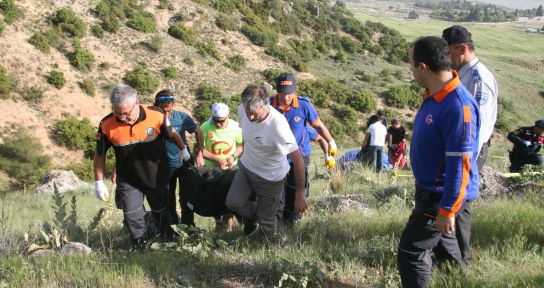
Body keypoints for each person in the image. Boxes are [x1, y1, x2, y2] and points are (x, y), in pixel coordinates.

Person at [397, 36, 480, 288]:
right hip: (431, 192)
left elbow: (461, 164)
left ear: (423, 67)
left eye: (412, 65)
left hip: (440, 195)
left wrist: (446, 209)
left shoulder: (458, 106)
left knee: (411, 251)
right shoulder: (435, 95)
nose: (411, 71)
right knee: (446, 253)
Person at [94, 84, 191, 249]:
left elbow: (172, 133)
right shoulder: (107, 124)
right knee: (132, 216)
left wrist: (183, 150)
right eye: (117, 113)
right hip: (129, 178)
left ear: (137, 103)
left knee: (162, 212)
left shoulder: (156, 115)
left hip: (157, 176)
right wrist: (98, 181)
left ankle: (168, 241)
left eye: (126, 113)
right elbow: (100, 154)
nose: (122, 118)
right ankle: (140, 247)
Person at [226, 84, 308, 239]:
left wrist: (299, 194)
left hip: (270, 177)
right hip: (247, 167)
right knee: (233, 202)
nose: (249, 117)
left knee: (267, 221)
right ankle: (258, 216)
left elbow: (298, 160)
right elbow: (246, 136)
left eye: (254, 113)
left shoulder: (278, 125)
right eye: (247, 112)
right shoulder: (243, 110)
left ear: (265, 105)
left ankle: (268, 249)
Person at [270, 72, 336, 225]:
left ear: (296, 90)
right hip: (277, 156)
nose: (286, 98)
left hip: (300, 155)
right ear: (276, 90)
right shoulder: (269, 105)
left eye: (289, 94)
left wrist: (331, 143)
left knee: (297, 190)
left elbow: (319, 126)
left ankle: (293, 224)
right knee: (278, 193)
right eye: (282, 94)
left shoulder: (304, 105)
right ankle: (276, 227)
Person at [443, 25, 498, 171]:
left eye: (447, 51)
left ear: (462, 49)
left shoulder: (478, 80)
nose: (445, 56)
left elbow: (479, 124)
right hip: (460, 148)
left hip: (470, 151)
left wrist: (466, 163)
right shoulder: (462, 73)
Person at [153, 89, 204, 226]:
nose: (166, 112)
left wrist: (200, 153)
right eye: (163, 108)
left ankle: (188, 225)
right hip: (162, 166)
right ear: (157, 105)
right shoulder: (151, 118)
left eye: (169, 107)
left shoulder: (181, 117)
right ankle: (173, 224)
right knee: (168, 197)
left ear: (173, 104)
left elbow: (198, 131)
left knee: (186, 196)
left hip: (183, 162)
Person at [200, 102, 243, 231]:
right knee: (214, 197)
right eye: (215, 121)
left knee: (229, 198)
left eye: (221, 121)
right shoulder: (205, 127)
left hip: (231, 169)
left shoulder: (236, 127)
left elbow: (241, 145)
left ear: (228, 116)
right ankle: (218, 223)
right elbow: (199, 149)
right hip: (212, 169)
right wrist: (216, 159)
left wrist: (233, 156)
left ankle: (228, 228)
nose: (218, 124)